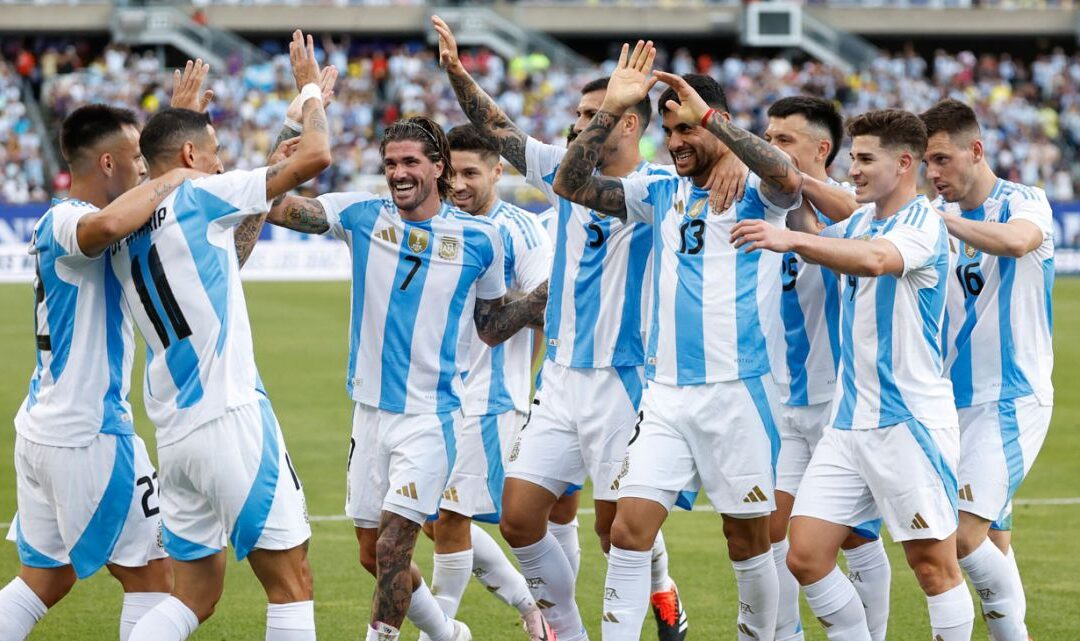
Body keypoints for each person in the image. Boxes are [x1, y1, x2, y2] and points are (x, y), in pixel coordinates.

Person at [433, 18, 711, 641]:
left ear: (631, 123)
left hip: (624, 381)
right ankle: (572, 631)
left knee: (618, 533)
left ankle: (656, 602)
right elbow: (502, 133)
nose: (583, 124)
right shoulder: (567, 175)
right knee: (520, 519)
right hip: (558, 378)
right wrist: (457, 74)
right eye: (584, 113)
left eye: (600, 114)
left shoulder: (659, 189)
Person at [554, 44, 804, 641]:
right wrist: (612, 109)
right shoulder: (659, 192)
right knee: (627, 531)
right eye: (669, 129)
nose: (675, 140)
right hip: (665, 395)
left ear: (715, 120)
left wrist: (719, 129)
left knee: (747, 539)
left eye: (686, 126)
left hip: (738, 392)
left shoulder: (756, 192)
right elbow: (569, 183)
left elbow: (787, 176)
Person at [265, 113, 547, 641]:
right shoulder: (360, 214)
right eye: (390, 162)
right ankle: (449, 634)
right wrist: (294, 120)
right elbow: (271, 203)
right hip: (368, 413)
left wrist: (541, 297)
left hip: (431, 416)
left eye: (410, 162)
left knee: (397, 547)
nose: (398, 172)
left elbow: (490, 328)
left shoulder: (482, 238)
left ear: (437, 167)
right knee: (372, 554)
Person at [0, 59, 234, 641]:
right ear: (106, 164)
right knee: (158, 581)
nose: (143, 169)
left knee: (42, 581)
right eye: (134, 159)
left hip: (45, 429)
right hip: (88, 435)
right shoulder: (64, 218)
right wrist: (173, 174)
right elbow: (99, 231)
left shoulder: (108, 217)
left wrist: (175, 130)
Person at [120, 30, 333, 641]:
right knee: (292, 584)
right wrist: (310, 91)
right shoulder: (200, 193)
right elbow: (315, 158)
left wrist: (178, 113)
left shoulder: (131, 219)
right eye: (213, 151)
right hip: (231, 417)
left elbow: (232, 251)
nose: (220, 163)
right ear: (189, 158)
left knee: (194, 594)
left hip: (176, 434)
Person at [731, 108, 975, 641]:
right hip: (848, 423)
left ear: (904, 164)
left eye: (866, 159)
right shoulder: (861, 219)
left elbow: (871, 260)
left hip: (908, 422)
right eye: (853, 158)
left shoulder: (923, 224)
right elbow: (811, 206)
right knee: (806, 556)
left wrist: (794, 241)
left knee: (933, 566)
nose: (855, 169)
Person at [922, 98, 1055, 641]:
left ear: (976, 151)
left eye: (942, 160)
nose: (933, 174)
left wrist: (943, 223)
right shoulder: (929, 215)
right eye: (926, 164)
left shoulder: (1026, 202)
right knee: (992, 544)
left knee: (955, 539)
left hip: (1009, 398)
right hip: (948, 407)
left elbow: (1019, 242)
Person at [418, 123, 556, 641]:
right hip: (434, 395)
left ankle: (442, 631)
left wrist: (519, 385)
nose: (457, 184)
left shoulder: (520, 229)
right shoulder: (437, 222)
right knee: (433, 520)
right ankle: (531, 606)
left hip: (488, 397)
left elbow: (545, 306)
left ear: (498, 170)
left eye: (470, 173)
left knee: (451, 519)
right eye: (450, 172)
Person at [762, 96, 891, 641]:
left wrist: (797, 184)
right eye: (766, 139)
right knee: (774, 533)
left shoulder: (854, 211)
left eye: (783, 141)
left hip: (841, 401)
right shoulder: (758, 203)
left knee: (856, 537)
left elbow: (854, 220)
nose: (770, 151)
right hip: (781, 398)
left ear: (822, 149)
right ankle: (786, 634)